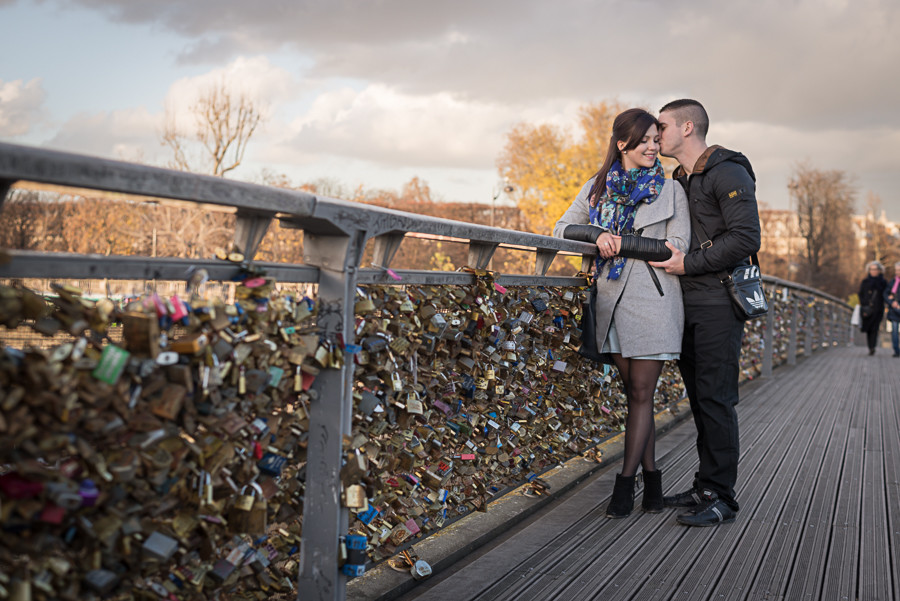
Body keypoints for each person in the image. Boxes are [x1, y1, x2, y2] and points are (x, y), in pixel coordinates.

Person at [553, 108, 690, 519]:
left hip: (655, 302)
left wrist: (622, 243)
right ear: (622, 144)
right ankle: (653, 482)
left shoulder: (671, 191)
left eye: (655, 140)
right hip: (611, 301)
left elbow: (677, 244)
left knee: (642, 394)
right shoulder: (596, 188)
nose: (653, 147)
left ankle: (623, 486)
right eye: (644, 140)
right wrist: (597, 235)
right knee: (635, 397)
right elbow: (560, 229)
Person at [648, 99, 761, 527]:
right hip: (686, 301)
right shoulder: (681, 177)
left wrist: (689, 262)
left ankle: (722, 498)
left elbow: (746, 237)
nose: (656, 134)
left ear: (688, 127)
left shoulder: (726, 172)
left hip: (716, 301)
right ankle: (705, 484)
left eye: (662, 126)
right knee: (700, 399)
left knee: (716, 398)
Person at [859, 261, 887, 355]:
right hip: (867, 308)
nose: (873, 271)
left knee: (875, 328)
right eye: (871, 269)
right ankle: (870, 346)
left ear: (879, 270)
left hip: (878, 309)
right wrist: (864, 304)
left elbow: (885, 294)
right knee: (868, 328)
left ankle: (872, 347)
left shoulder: (883, 282)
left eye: (875, 269)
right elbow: (861, 294)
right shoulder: (865, 282)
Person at [884, 262, 900, 357]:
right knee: (894, 331)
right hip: (894, 310)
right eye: (897, 270)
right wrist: (892, 302)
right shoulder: (893, 281)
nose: (898, 272)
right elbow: (885, 294)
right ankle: (896, 351)